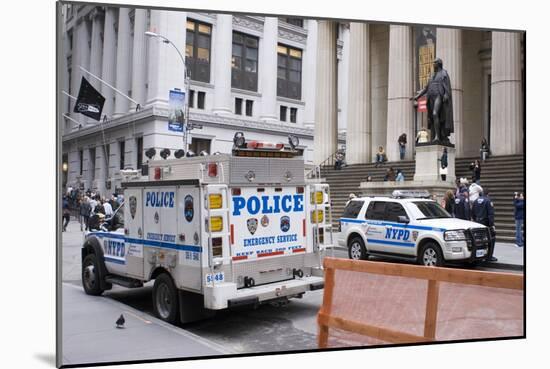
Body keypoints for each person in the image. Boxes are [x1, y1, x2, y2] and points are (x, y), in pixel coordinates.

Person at [411, 58, 454, 144]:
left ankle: (437, 137)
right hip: (431, 97)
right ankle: (436, 135)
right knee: (432, 117)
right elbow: (426, 88)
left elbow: (447, 86)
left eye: (434, 63)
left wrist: (446, 94)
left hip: (439, 95)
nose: (433, 64)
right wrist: (417, 96)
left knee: (435, 113)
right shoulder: (432, 75)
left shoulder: (443, 73)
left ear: (439, 64)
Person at [472, 191, 498, 262]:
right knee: (492, 239)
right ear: (487, 194)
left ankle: (479, 255)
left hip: (477, 222)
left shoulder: (475, 201)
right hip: (486, 223)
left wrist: (475, 220)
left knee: (479, 240)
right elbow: (490, 214)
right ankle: (489, 256)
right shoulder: (488, 201)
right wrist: (492, 225)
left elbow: (472, 212)